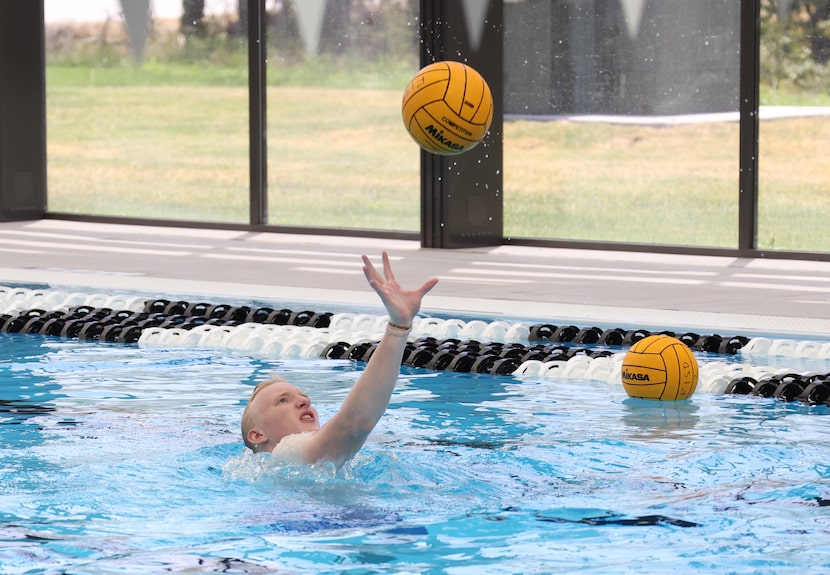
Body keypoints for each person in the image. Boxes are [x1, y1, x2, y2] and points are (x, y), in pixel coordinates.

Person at [240, 251, 438, 469]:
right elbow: (355, 423)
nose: (305, 402)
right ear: (258, 435)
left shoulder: (292, 463)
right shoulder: (285, 450)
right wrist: (397, 329)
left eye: (303, 397)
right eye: (283, 400)